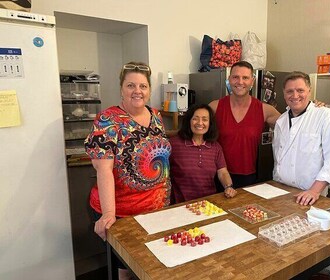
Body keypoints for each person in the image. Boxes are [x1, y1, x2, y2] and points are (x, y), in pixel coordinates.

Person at [84, 62, 171, 280]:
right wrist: (109, 214)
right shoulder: (108, 121)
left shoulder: (156, 116)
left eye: (143, 86)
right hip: (123, 212)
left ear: (149, 89)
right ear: (121, 89)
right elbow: (104, 170)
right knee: (126, 270)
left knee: (152, 264)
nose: (137, 91)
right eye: (131, 85)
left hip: (156, 207)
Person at [272, 71, 330, 206]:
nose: (295, 96)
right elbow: (278, 158)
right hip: (281, 191)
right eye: (290, 91)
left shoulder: (325, 116)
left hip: (311, 195)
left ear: (309, 91)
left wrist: (314, 191)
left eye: (300, 90)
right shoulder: (281, 120)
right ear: (284, 93)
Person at [209, 61, 281, 189]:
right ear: (229, 79)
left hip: (251, 178)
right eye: (236, 77)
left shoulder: (264, 110)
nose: (240, 82)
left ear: (252, 81)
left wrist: (313, 108)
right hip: (218, 176)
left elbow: (294, 125)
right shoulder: (215, 107)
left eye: (245, 78)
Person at [170, 104, 237, 203]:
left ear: (210, 123)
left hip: (208, 204)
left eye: (205, 119)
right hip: (181, 204)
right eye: (195, 119)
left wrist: (229, 186)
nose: (200, 123)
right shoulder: (174, 144)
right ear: (189, 121)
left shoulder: (215, 147)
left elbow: (222, 172)